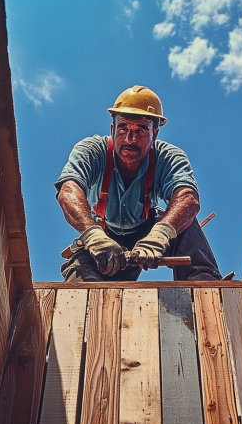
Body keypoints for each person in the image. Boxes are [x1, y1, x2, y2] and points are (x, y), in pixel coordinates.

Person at [55, 85, 222, 282]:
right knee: (81, 283)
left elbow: (188, 198)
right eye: (123, 127)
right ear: (112, 129)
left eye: (141, 130)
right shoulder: (92, 151)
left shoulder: (168, 157)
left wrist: (160, 235)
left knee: (183, 218)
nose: (130, 139)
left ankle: (203, 285)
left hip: (148, 229)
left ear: (155, 134)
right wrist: (93, 236)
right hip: (103, 234)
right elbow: (68, 191)